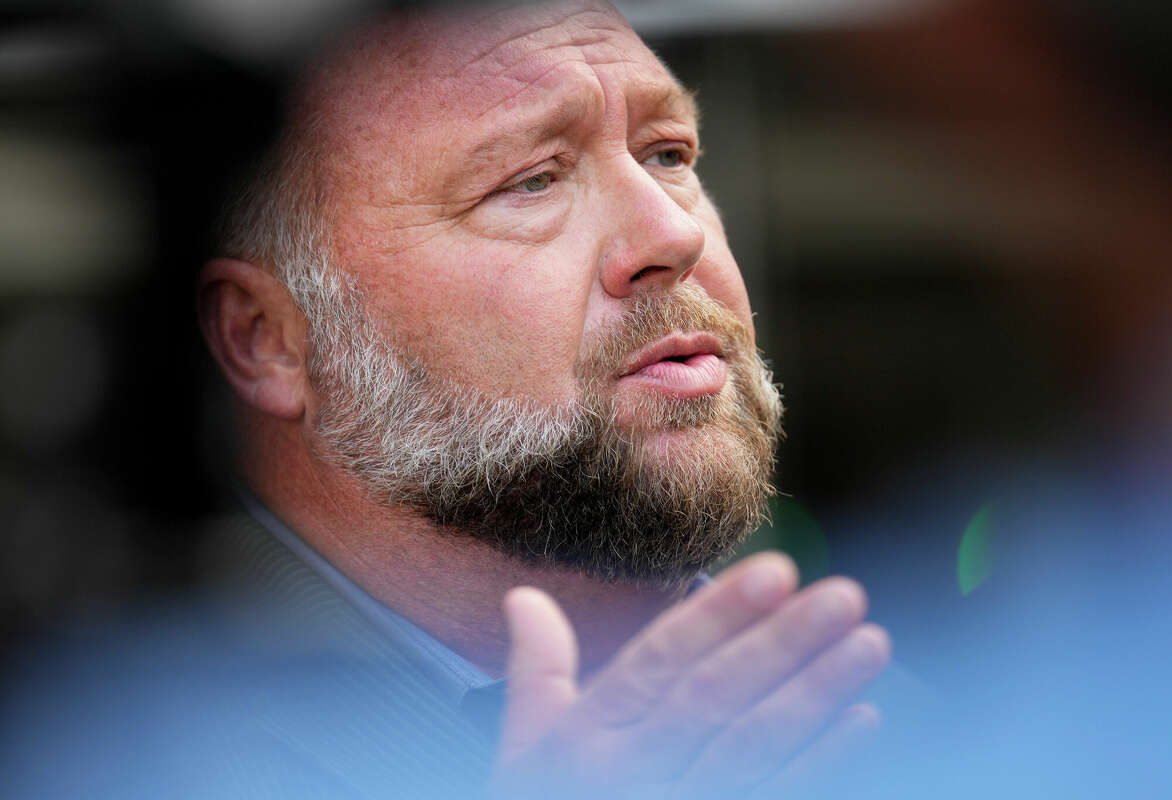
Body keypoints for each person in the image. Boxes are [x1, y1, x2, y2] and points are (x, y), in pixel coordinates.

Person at [4, 2, 889, 798]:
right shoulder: (94, 751)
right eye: (531, 180)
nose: (673, 233)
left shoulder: (896, 720)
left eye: (669, 154)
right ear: (266, 340)